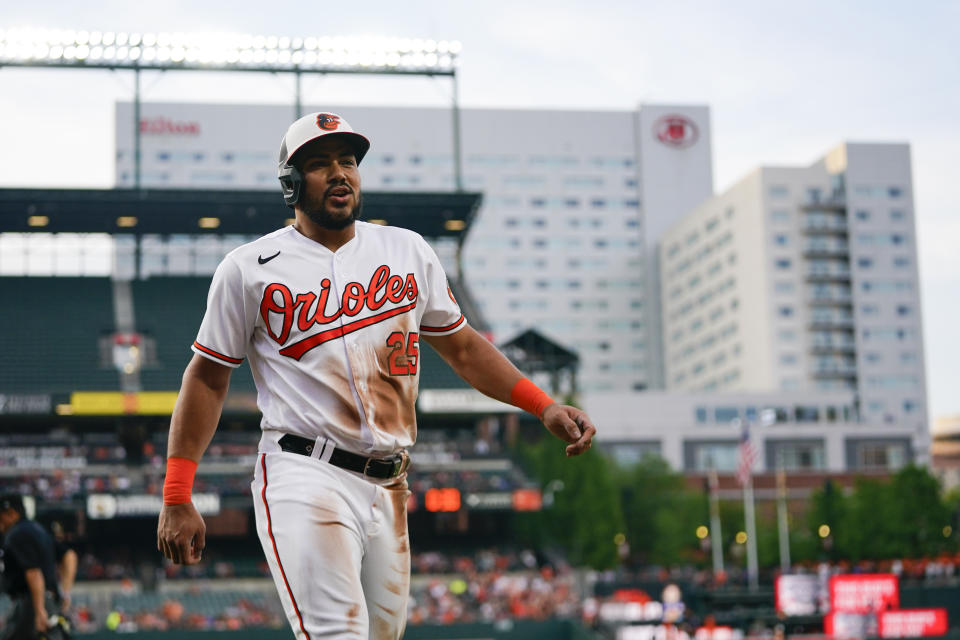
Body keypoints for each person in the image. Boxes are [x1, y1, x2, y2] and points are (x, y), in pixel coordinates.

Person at [156, 111, 597, 639]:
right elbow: (207, 378)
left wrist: (541, 404)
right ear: (291, 184)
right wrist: (177, 493)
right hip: (305, 471)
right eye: (320, 164)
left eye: (348, 161)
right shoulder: (251, 268)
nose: (340, 173)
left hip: (389, 483)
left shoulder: (405, 250)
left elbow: (462, 346)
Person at [0, 495, 71, 640]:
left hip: (31, 602)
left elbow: (33, 572)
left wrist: (39, 611)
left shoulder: (16, 533)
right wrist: (66, 592)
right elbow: (69, 555)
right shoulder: (38, 529)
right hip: (48, 601)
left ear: (12, 513)